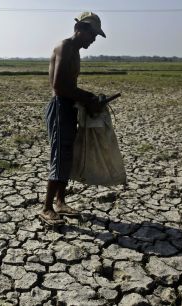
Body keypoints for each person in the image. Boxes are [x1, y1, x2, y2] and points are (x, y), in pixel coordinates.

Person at [40, 12, 107, 225]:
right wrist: (88, 97)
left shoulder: (75, 51)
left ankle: (60, 201)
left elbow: (71, 87)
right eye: (92, 34)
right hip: (60, 108)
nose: (93, 39)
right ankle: (47, 207)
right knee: (59, 158)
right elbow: (59, 87)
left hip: (68, 108)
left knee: (67, 156)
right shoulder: (64, 48)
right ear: (81, 29)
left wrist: (89, 98)